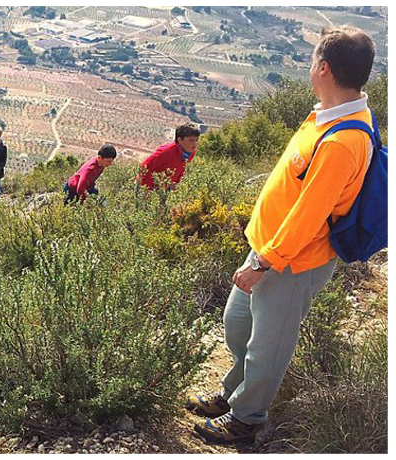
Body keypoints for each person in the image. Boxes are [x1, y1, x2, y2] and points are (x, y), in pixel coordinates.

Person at [188, 26, 376, 446]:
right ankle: (232, 392)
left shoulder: (343, 140)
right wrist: (258, 247)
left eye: (312, 61)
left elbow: (309, 216)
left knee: (267, 350)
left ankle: (247, 419)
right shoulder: (328, 113)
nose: (310, 68)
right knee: (237, 326)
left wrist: (263, 261)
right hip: (268, 249)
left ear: (323, 68)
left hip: (293, 262)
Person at [137, 124, 201, 190]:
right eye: (191, 140)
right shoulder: (166, 152)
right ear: (180, 140)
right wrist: (148, 189)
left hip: (166, 188)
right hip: (149, 189)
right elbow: (145, 167)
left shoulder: (191, 152)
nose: (195, 144)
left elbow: (182, 170)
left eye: (196, 140)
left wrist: (175, 185)